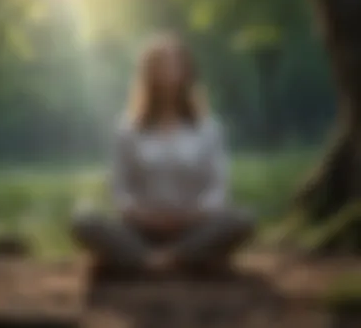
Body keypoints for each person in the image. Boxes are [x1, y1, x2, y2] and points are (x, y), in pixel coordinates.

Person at [72, 33, 255, 275]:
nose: (168, 71)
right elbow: (119, 188)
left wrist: (191, 217)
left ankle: (154, 262)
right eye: (160, 64)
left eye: (174, 63)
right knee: (84, 219)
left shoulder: (208, 128)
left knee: (242, 219)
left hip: (194, 228)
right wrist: (141, 215)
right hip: (140, 229)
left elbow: (217, 189)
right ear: (147, 74)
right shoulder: (128, 129)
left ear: (186, 72)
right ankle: (174, 262)